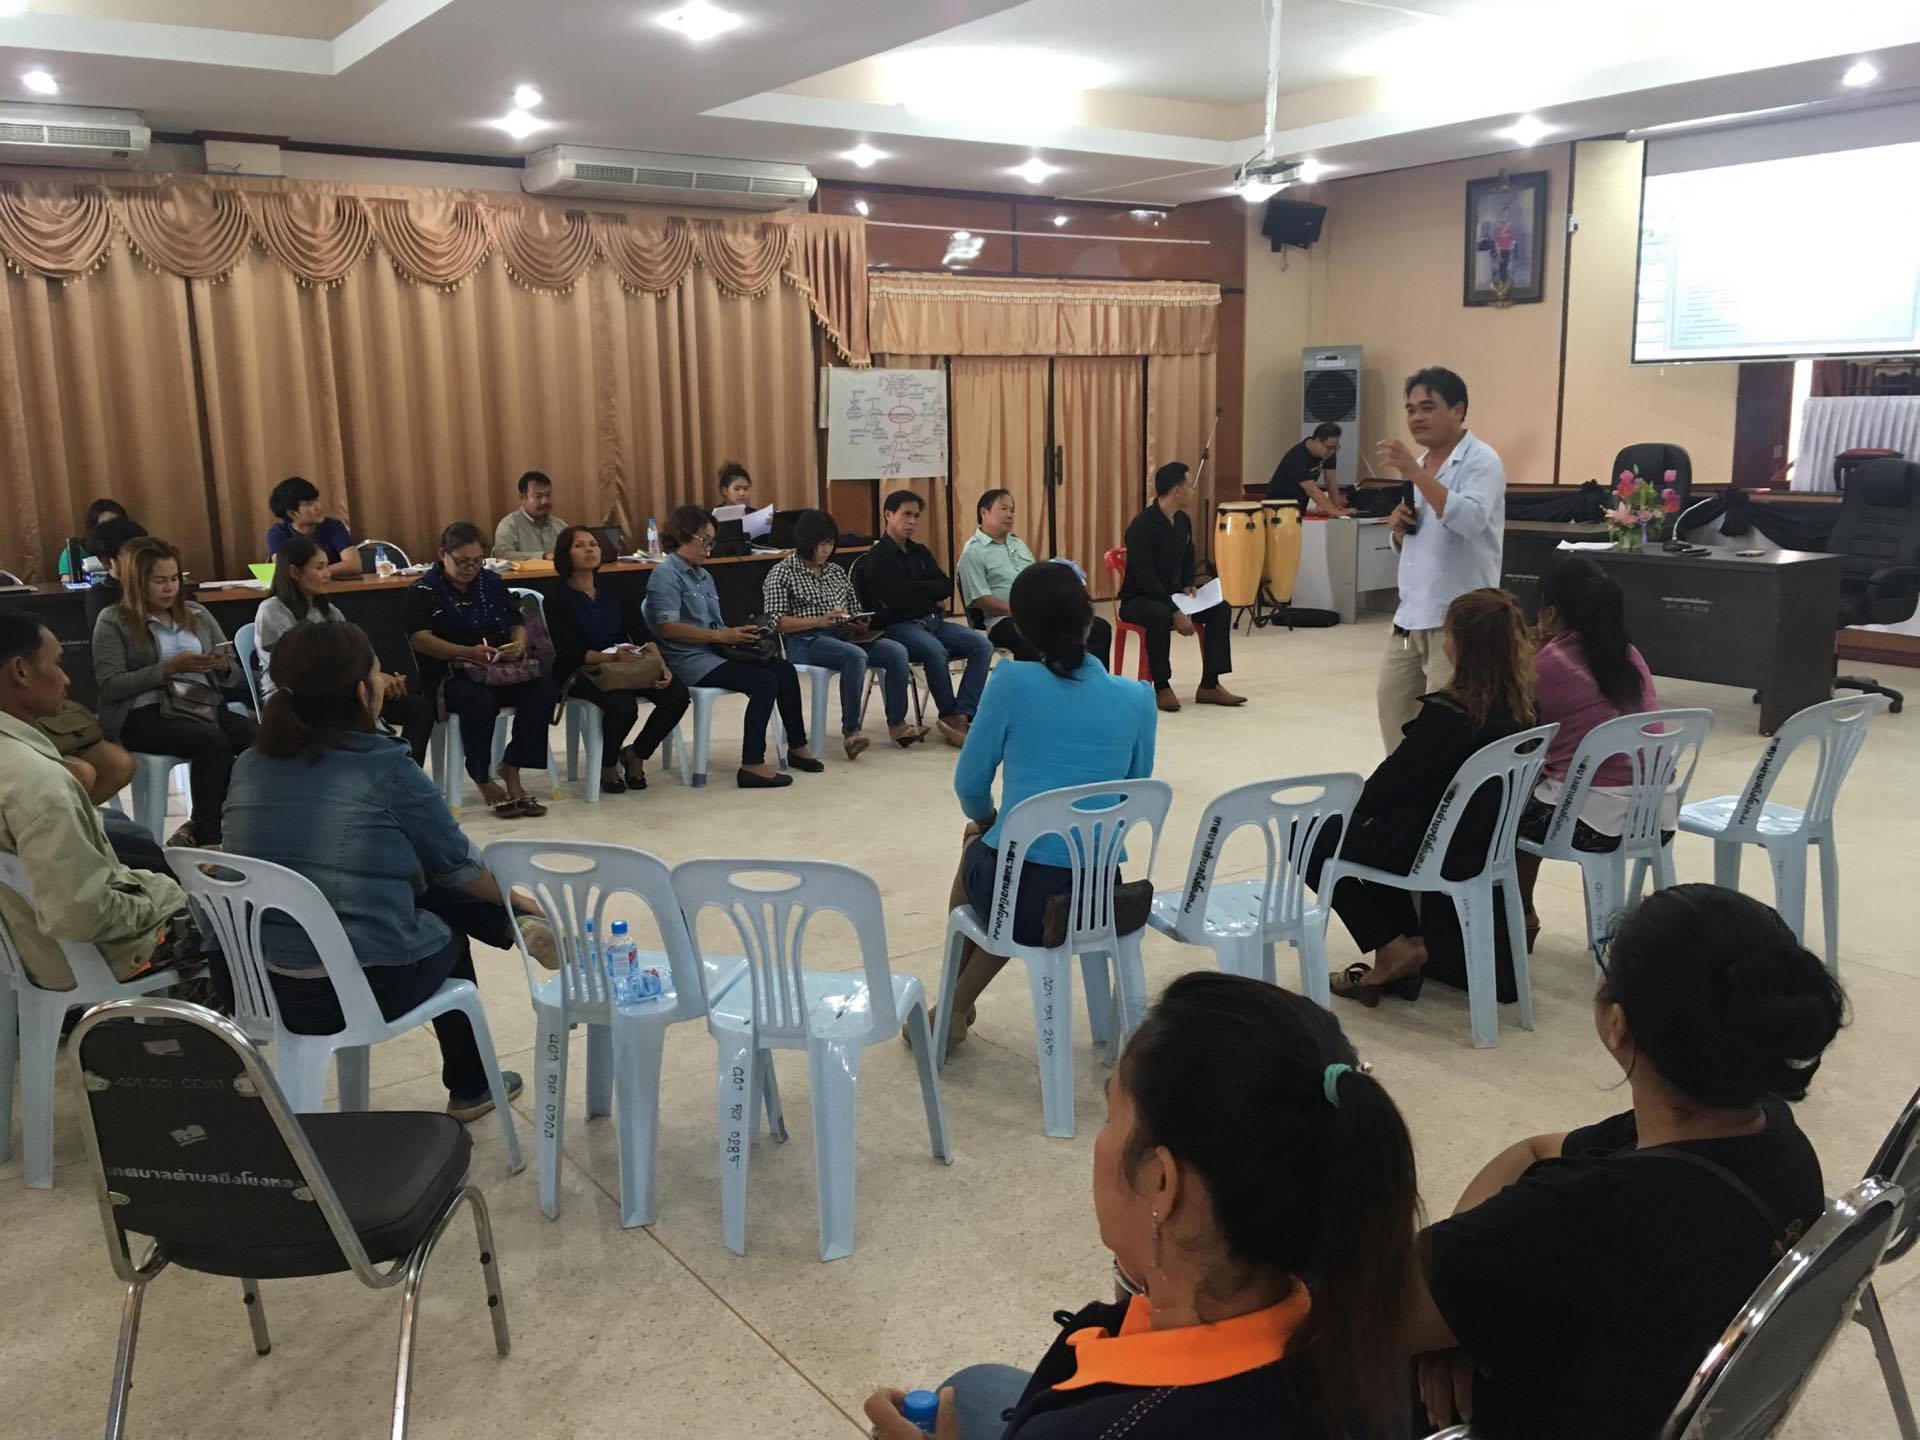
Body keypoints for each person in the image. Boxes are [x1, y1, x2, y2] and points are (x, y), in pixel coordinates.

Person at [866, 971, 1420, 1440]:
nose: (1100, 1141)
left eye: (1111, 1115)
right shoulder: (1352, 1314)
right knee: (978, 1385)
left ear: (1161, 1182)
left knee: (965, 1393)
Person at [1409, 884, 1845, 1440]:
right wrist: (1459, 1308)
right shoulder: (1772, 1138)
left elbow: (1356, 1311)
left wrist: (1454, 1311)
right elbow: (1533, 1150)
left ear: (1616, 1024)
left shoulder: (1584, 1212)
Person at [224, 621, 557, 1123]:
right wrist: (519, 899)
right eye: (378, 673)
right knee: (445, 928)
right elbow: (460, 866)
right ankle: (472, 1086)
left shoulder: (249, 763)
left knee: (416, 883)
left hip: (258, 985)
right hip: (352, 988)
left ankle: (517, 924)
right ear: (363, 692)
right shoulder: (385, 768)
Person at [937, 563, 1156, 1045]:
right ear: (1089, 621)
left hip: (1023, 891)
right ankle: (953, 1006)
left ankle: (952, 1002)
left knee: (983, 846)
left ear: (1020, 628)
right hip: (1100, 888)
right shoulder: (1138, 698)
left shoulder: (1011, 683)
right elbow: (1133, 791)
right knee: (1018, 880)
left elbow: (969, 784)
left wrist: (988, 821)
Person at [1313, 588, 1532, 1004]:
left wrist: (1346, 808)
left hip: (1435, 849)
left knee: (1311, 835)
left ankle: (1394, 946)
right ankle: (1408, 943)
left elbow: (1381, 790)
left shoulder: (1449, 716)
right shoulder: (1524, 710)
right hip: (1486, 843)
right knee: (1370, 830)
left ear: (1461, 646)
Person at [0, 609, 200, 991]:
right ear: (20, 671)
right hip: (90, 962)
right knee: (236, 929)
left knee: (145, 856)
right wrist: (159, 899)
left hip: (25, 955)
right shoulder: (39, 783)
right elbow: (77, 914)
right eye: (57, 664)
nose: (66, 679)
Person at [1515, 556, 1662, 948]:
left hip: (1593, 823)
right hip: (1655, 815)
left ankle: (1520, 914)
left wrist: (1529, 655)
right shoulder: (1630, 655)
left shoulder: (1547, 664)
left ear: (1549, 613)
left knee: (1504, 812)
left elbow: (1522, 733)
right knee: (1539, 791)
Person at [92, 536, 258, 849]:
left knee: (260, 739)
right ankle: (208, 837)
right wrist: (167, 669)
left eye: (174, 579)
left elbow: (233, 674)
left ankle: (232, 820)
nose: (169, 588)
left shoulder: (197, 614)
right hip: (143, 714)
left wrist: (221, 665)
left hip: (200, 705)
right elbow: (111, 684)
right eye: (159, 581)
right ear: (137, 582)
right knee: (212, 742)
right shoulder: (114, 620)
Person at [642, 505, 822, 789]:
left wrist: (738, 634)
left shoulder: (703, 576)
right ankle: (752, 763)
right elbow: (669, 628)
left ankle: (797, 746)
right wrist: (721, 637)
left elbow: (715, 625)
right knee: (764, 681)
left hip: (715, 650)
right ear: (682, 535)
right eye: (704, 540)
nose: (708, 549)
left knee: (784, 670)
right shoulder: (665, 575)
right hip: (687, 660)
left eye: (711, 542)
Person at [1375, 366, 1507, 748]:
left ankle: (1442, 789)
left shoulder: (1482, 461)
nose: (1416, 417)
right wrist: (1398, 532)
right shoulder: (1421, 465)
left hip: (1457, 621)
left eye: (1427, 407)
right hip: (1409, 617)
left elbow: (1470, 521)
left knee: (1446, 728)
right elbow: (1422, 542)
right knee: (1394, 711)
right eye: (1411, 409)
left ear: (1458, 410)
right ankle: (1401, 785)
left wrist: (1416, 474)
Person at [404, 521, 553, 818]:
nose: (470, 568)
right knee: (479, 701)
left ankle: (512, 766)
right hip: (451, 674)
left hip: (498, 669)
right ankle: (482, 777)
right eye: (462, 562)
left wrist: (518, 644)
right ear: (443, 554)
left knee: (543, 689)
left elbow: (516, 622)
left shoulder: (491, 583)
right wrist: (466, 652)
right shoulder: (423, 590)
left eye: (477, 561)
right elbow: (420, 639)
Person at [257, 535, 433, 765]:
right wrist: (368, 682)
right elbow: (296, 669)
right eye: (319, 567)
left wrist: (379, 678)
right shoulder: (272, 610)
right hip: (299, 696)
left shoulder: (330, 611)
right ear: (294, 572)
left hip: (344, 690)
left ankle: (405, 771)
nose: (327, 574)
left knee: (419, 708)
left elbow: (357, 653)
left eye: (327, 566)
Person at [762, 507, 923, 758]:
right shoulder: (782, 572)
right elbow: (776, 622)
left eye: (830, 543)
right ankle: (852, 733)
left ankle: (897, 725)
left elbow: (855, 608)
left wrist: (860, 623)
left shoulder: (835, 571)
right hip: (805, 640)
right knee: (854, 656)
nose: (826, 549)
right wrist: (818, 621)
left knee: (896, 651)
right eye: (821, 544)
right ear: (805, 542)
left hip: (844, 635)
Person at [547, 523, 691, 793]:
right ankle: (608, 762)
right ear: (565, 555)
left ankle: (637, 753)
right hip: (582, 669)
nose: (589, 550)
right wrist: (611, 659)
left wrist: (659, 664)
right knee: (623, 706)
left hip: (624, 661)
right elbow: (569, 651)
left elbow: (640, 631)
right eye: (580, 546)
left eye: (593, 544)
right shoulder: (557, 597)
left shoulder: (614, 586)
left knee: (676, 695)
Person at [864, 489, 994, 748]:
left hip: (933, 620)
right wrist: (926, 593)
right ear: (888, 515)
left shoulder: (919, 551)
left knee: (982, 645)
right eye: (906, 514)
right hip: (898, 625)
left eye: (916, 516)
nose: (912, 521)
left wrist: (915, 590)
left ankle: (963, 712)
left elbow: (944, 586)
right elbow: (894, 599)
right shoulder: (876, 558)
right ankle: (949, 714)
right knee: (935, 651)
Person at [1119, 462, 1243, 713]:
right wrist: (1175, 610)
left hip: (1176, 595)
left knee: (1220, 609)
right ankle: (1161, 686)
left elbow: (1188, 555)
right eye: (1189, 485)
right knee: (1159, 614)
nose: (1193, 490)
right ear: (1176, 490)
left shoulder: (1183, 521)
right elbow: (1146, 579)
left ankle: (1210, 684)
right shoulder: (1140, 527)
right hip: (1140, 598)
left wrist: (1188, 583)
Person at [956, 488, 1112, 666]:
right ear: (984, 512)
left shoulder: (1017, 543)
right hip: (1005, 619)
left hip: (1039, 612)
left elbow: (1035, 579)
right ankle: (1045, 682)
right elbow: (980, 599)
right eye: (1003, 509)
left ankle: (1091, 682)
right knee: (1032, 642)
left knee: (1099, 628)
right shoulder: (973, 552)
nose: (1010, 515)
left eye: (1012, 510)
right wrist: (1019, 610)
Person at [263, 475, 358, 578]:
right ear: (292, 513)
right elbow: (283, 570)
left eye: (316, 500)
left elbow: (354, 565)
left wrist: (313, 573)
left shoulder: (333, 525)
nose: (318, 507)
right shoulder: (278, 533)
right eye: (309, 504)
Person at [1267, 423, 1351, 516]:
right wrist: (1335, 511)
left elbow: (1331, 481)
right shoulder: (1297, 457)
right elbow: (1312, 491)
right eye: (1330, 448)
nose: (1332, 452)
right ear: (1317, 441)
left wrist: (1338, 507)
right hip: (1278, 506)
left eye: (1336, 448)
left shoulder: (1328, 452)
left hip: (1300, 504)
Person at [82, 515, 147, 628]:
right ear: (107, 562)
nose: (145, 560)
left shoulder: (151, 584)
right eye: (135, 555)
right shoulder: (99, 596)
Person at [493, 469, 568, 560]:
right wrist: (543, 556)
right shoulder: (510, 524)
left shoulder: (560, 525)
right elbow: (502, 555)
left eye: (548, 495)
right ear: (522, 497)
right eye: (538, 496)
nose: (545, 501)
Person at [57, 497, 131, 581]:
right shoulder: (75, 553)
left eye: (118, 523)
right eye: (106, 524)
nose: (113, 529)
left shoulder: (130, 550)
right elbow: (68, 583)